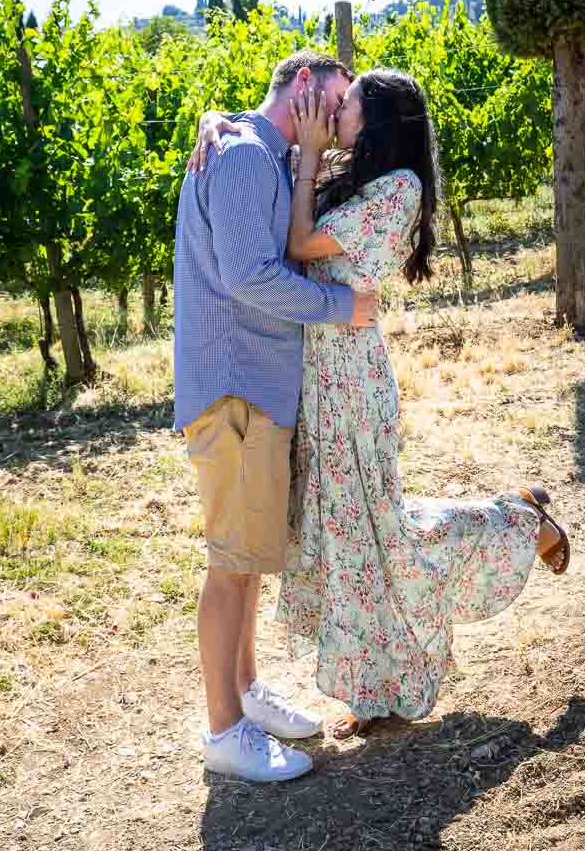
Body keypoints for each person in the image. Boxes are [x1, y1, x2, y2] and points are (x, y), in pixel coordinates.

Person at [193, 67, 570, 741]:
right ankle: (374, 688)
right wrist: (216, 122)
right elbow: (263, 165)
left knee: (380, 536)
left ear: (378, 120)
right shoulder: (352, 172)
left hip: (353, 385)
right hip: (317, 379)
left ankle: (516, 523)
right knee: (351, 538)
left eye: (349, 104)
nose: (335, 112)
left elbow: (301, 245)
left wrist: (308, 157)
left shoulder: (400, 188)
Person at [173, 51, 379, 783]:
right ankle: (224, 732)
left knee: (251, 555)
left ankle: (248, 694)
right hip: (236, 392)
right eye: (338, 97)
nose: (342, 113)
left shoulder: (261, 154)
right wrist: (341, 309)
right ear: (304, 86)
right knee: (232, 566)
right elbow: (249, 276)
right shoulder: (241, 158)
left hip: (256, 389)